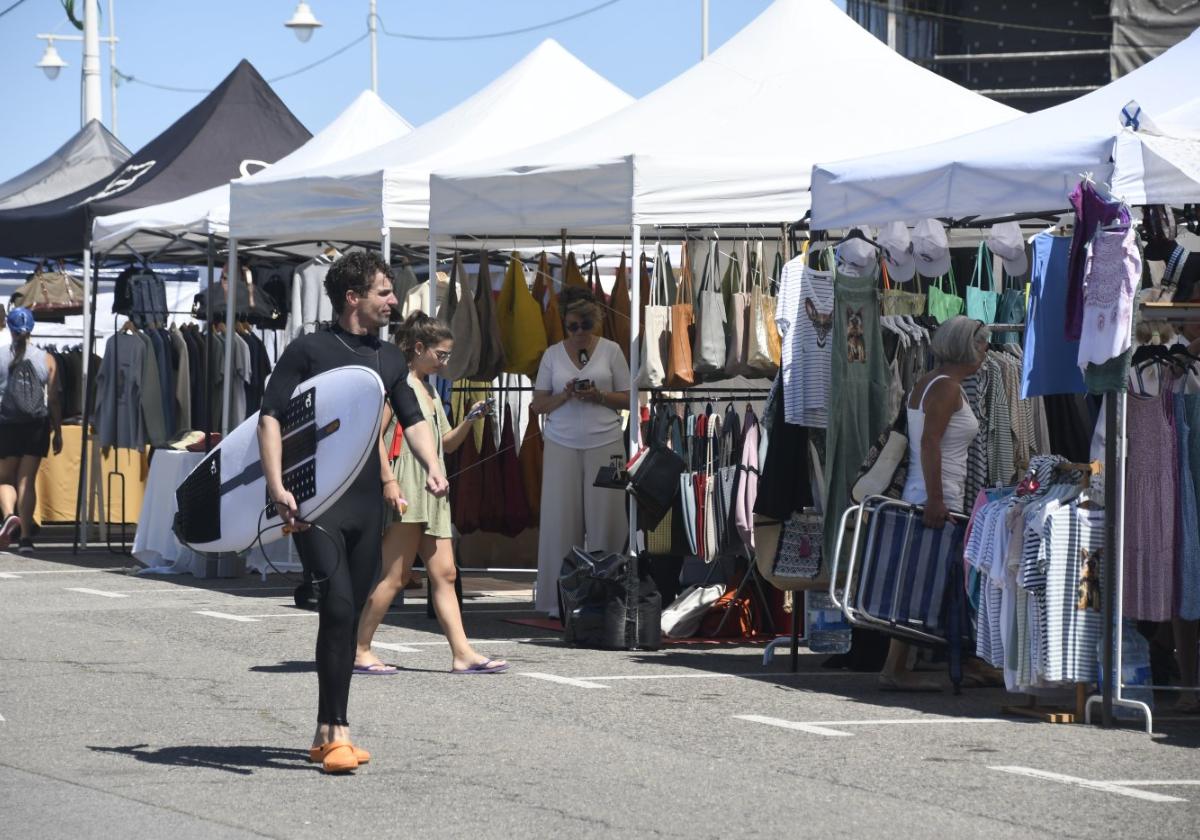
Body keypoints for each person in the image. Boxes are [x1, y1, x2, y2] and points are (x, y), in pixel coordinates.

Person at [257, 251, 447, 774]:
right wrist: (278, 487)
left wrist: (431, 464)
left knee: (349, 611)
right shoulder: (308, 350)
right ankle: (337, 731)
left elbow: (412, 418)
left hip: (366, 503)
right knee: (337, 604)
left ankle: (325, 730)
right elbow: (269, 418)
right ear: (353, 298)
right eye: (384, 292)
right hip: (313, 500)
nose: (393, 301)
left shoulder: (388, 360)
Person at [354, 312, 510, 676]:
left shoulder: (428, 389)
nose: (445, 361)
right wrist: (388, 482)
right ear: (419, 348)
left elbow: (443, 444)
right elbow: (373, 436)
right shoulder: (399, 385)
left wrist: (469, 419)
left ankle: (462, 653)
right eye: (440, 354)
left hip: (433, 487)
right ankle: (359, 648)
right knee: (395, 575)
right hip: (409, 485)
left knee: (446, 574)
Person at [880, 316, 987, 691]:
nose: (986, 350)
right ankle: (895, 669)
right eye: (981, 343)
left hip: (930, 492)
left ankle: (967, 659)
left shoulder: (929, 383)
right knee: (921, 583)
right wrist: (937, 499)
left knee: (937, 581)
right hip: (935, 495)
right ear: (963, 347)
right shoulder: (946, 389)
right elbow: (929, 444)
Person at [530, 286, 630, 617]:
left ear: (596, 324)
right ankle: (556, 601)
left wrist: (600, 396)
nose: (579, 333)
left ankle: (608, 597)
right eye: (572, 326)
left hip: (607, 441)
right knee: (560, 522)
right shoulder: (551, 355)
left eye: (585, 325)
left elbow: (631, 397)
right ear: (564, 325)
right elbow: (538, 404)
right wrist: (566, 395)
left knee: (608, 522)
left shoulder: (612, 351)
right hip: (562, 442)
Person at [0, 307, 63, 553]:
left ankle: (7, 517)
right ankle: (26, 538)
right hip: (37, 424)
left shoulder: (1, 355)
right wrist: (57, 431)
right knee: (27, 479)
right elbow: (55, 399)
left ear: (10, 327)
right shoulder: (47, 359)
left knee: (5, 478)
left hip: (6, 423)